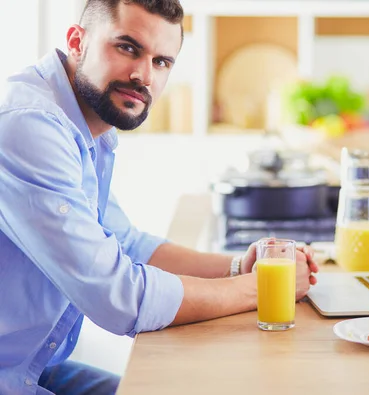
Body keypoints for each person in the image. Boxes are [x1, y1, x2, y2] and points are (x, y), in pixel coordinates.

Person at [0, 1, 319, 394]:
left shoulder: (84, 127)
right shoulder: (30, 127)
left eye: (162, 61)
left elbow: (127, 243)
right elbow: (117, 297)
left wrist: (239, 266)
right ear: (76, 42)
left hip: (33, 368)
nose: (143, 75)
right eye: (127, 48)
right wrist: (265, 287)